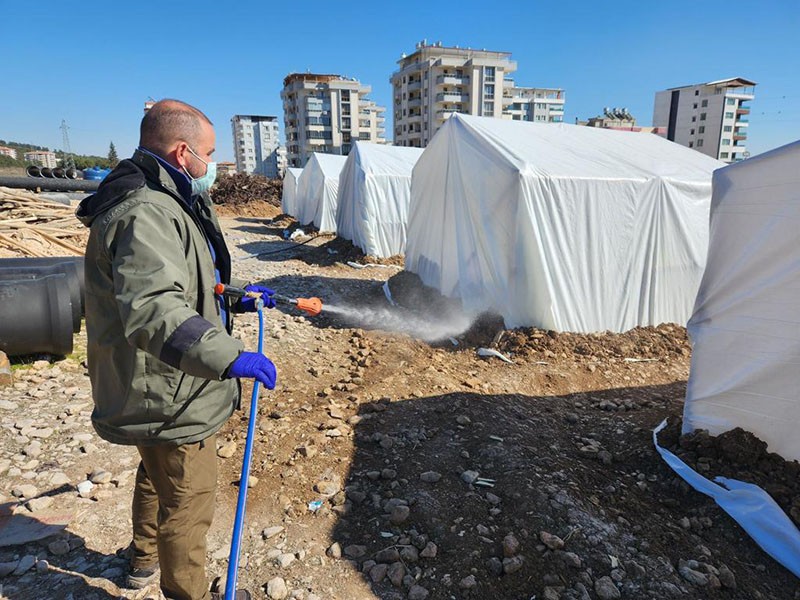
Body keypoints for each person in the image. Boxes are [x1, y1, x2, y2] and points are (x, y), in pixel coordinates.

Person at [77, 99, 276, 600]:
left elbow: (183, 280)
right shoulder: (146, 211)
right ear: (183, 151)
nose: (212, 166)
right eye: (209, 154)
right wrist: (229, 357)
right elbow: (153, 310)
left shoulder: (162, 196)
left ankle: (142, 561)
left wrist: (234, 297)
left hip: (152, 386)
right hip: (168, 388)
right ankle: (188, 592)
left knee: (156, 471)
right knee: (188, 503)